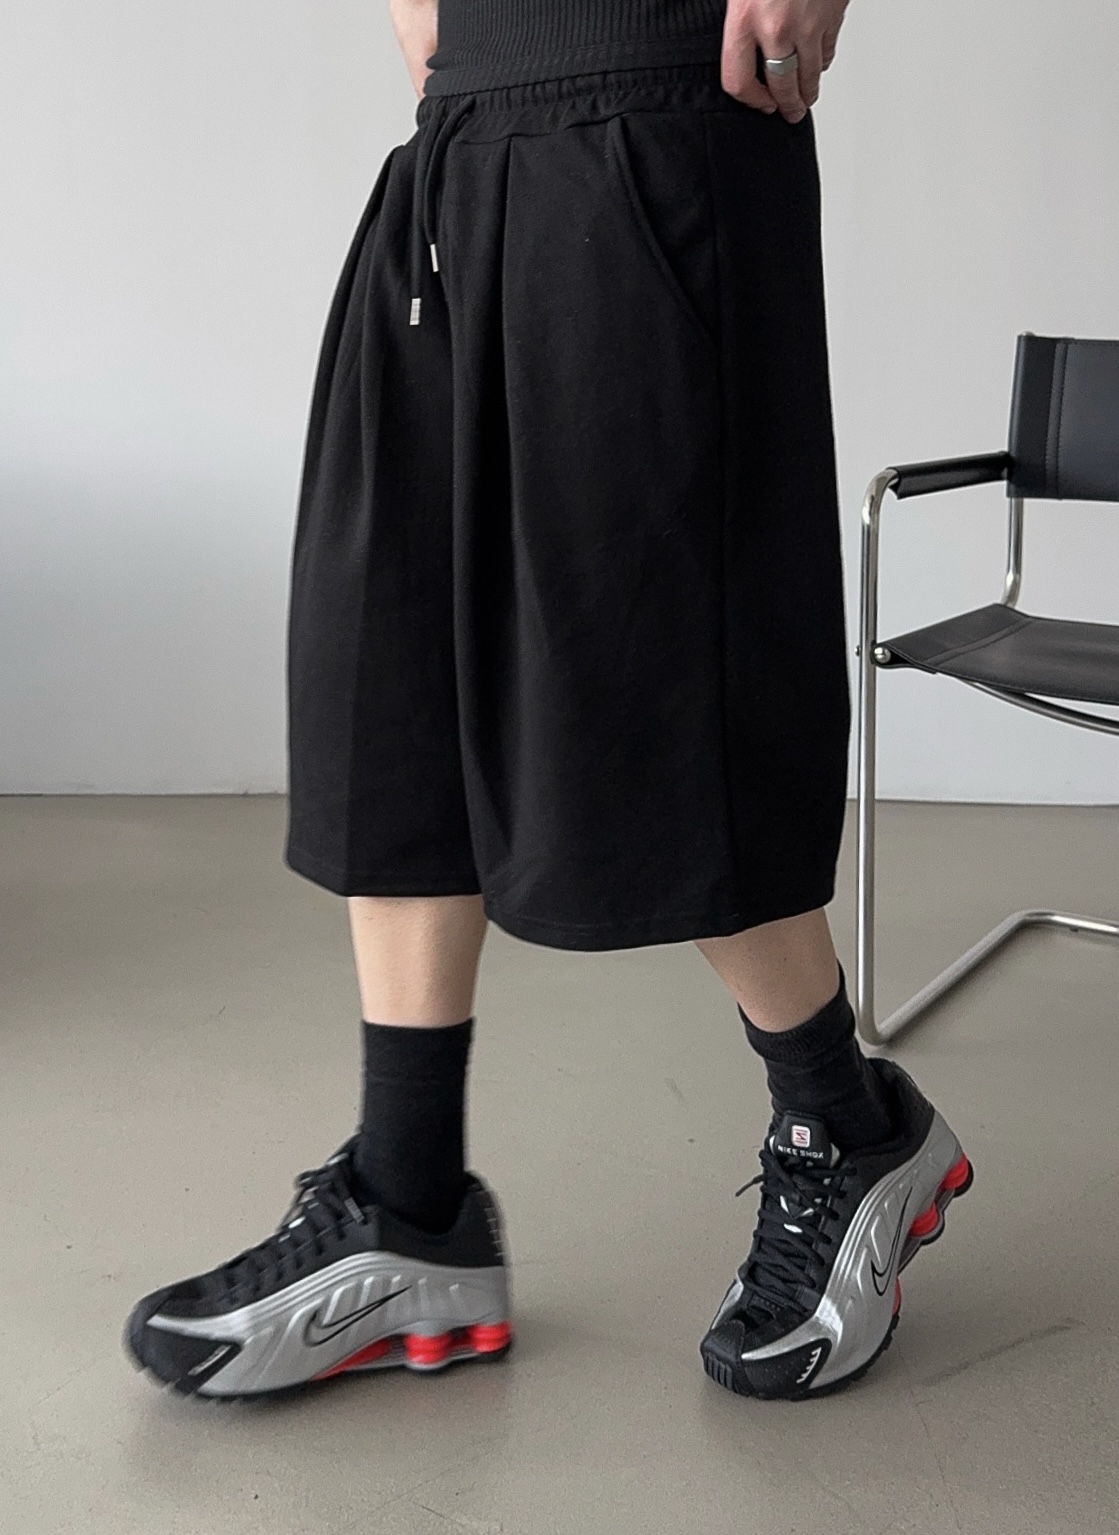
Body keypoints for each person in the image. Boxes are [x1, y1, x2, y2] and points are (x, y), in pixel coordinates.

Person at [125, 0, 971, 1404]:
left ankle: (845, 1117)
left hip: (657, 97)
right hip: (456, 142)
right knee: (389, 668)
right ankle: (409, 1199)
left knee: (651, 684)